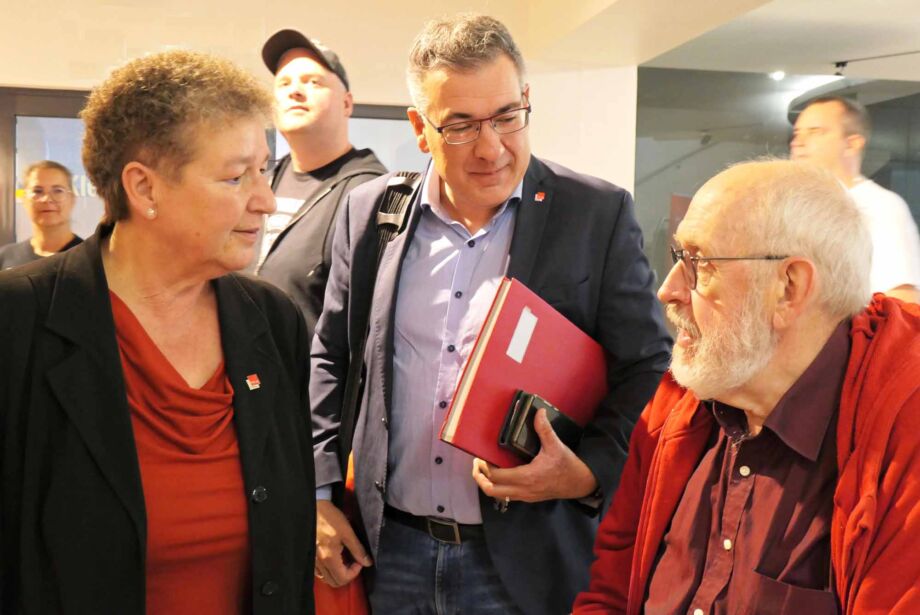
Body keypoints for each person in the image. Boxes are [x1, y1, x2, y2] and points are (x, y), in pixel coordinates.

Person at [309, 13, 672, 615]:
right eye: (459, 126)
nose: (491, 147)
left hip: (530, 559)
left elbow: (648, 365)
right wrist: (318, 493)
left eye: (506, 116)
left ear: (527, 101)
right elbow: (333, 354)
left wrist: (588, 472)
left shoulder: (594, 213)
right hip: (389, 551)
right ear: (419, 129)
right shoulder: (370, 212)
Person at [0, 50, 316, 614]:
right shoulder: (19, 320)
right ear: (144, 189)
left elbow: (285, 552)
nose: (265, 200)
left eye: (263, 169)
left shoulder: (271, 320)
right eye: (235, 175)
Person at [573, 160, 920, 614]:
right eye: (679, 258)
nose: (669, 290)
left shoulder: (901, 439)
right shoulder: (679, 400)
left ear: (788, 288)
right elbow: (612, 590)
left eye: (700, 264)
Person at [255, 29, 386, 335]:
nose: (295, 91)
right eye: (283, 83)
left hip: (311, 379)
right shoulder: (262, 181)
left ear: (347, 104)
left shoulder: (368, 193)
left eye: (313, 82)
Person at [791, 95, 920, 303]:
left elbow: (902, 299)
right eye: (797, 133)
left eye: (816, 132)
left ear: (852, 144)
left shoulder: (881, 207)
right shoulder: (797, 208)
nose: (799, 142)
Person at [0, 160, 82, 269]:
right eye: (37, 191)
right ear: (24, 199)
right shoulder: (6, 257)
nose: (47, 199)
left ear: (72, 199)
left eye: (58, 191)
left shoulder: (92, 258)